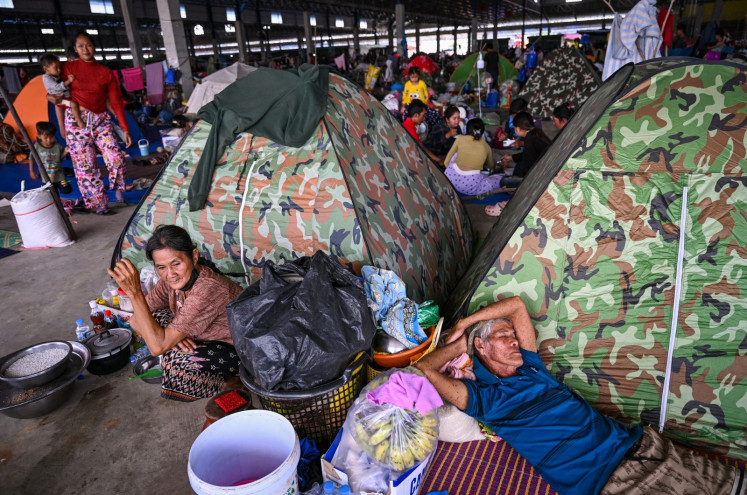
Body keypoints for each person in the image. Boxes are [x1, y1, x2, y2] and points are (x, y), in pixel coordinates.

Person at [416, 296, 743, 495]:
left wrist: (468, 321)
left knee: (731, 484)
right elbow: (423, 371)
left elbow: (517, 306)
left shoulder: (533, 369)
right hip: (610, 480)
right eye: (503, 336)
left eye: (514, 335)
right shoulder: (484, 398)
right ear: (482, 347)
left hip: (642, 446)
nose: (515, 341)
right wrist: (462, 343)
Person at [108, 225, 244, 402]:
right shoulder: (170, 282)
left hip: (240, 352)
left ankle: (232, 382)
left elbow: (157, 348)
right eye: (161, 267)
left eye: (176, 264)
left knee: (177, 364)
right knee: (153, 320)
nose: (170, 274)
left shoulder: (207, 288)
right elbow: (135, 320)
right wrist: (171, 339)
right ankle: (173, 339)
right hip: (207, 338)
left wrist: (135, 292)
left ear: (194, 257)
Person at [48, 31, 132, 215]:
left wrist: (124, 128)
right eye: (80, 46)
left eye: (89, 45)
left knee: (116, 156)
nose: (85, 49)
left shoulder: (105, 72)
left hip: (101, 119)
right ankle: (99, 204)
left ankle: (119, 192)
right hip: (75, 121)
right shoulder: (67, 69)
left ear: (94, 47)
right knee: (85, 165)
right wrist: (61, 126)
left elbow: (116, 102)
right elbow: (56, 97)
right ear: (75, 49)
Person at [443, 118, 503, 196]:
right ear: (482, 132)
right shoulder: (486, 146)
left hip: (449, 180)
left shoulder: (460, 139)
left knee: (456, 154)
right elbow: (491, 166)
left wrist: (453, 174)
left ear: (467, 129)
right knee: (497, 180)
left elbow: (446, 162)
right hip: (469, 186)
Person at [500, 111, 551, 187]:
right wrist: (511, 157)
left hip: (539, 177)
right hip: (544, 171)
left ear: (518, 128)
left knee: (504, 181)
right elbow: (527, 154)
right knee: (519, 165)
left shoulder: (530, 140)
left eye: (514, 128)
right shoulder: (536, 133)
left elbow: (529, 167)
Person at [39, 53, 83, 134]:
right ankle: (79, 121)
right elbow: (58, 88)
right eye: (56, 68)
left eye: (59, 67)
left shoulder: (55, 75)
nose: (59, 70)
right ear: (46, 68)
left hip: (64, 98)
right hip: (61, 100)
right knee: (73, 104)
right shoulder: (47, 78)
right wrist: (69, 81)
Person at [28, 121, 73, 194]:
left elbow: (60, 157)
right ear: (39, 136)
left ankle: (65, 184)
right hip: (46, 177)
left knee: (66, 190)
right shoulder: (36, 147)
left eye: (51, 137)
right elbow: (31, 159)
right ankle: (57, 204)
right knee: (52, 193)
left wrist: (65, 152)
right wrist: (32, 171)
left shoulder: (58, 146)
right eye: (45, 138)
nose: (49, 140)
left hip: (59, 175)